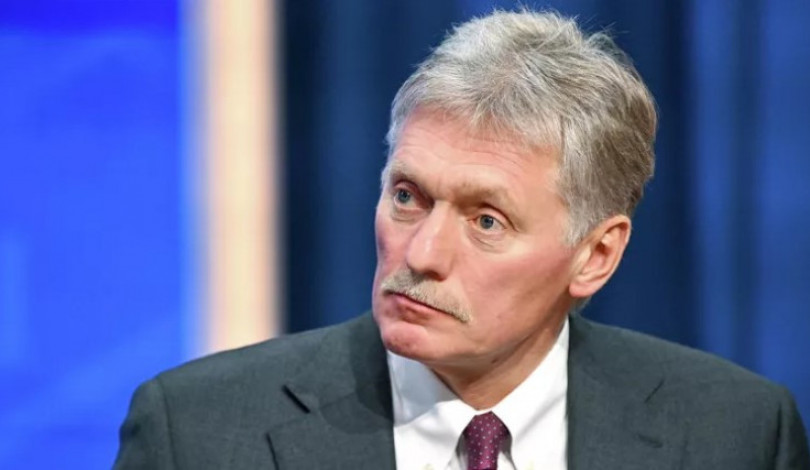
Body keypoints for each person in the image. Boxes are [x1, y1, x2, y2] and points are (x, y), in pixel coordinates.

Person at [115, 9, 809, 470]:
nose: (421, 255)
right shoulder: (197, 434)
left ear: (596, 256)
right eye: (408, 197)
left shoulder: (733, 434)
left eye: (486, 221)